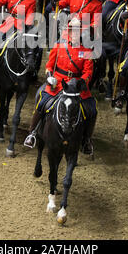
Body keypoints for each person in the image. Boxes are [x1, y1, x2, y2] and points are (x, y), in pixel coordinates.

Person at [24, 17, 97, 154]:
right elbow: (49, 66)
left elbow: (88, 72)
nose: (75, 34)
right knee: (42, 103)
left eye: (77, 31)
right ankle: (32, 132)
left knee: (92, 109)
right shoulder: (58, 46)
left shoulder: (86, 50)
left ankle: (87, 140)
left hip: (77, 86)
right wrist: (49, 77)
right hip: (58, 83)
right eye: (73, 31)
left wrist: (80, 82)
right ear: (69, 33)